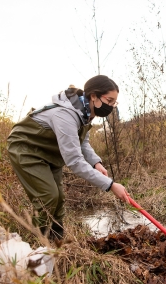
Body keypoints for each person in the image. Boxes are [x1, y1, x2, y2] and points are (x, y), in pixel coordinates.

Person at [7, 75, 130, 240]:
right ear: (94, 95)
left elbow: (82, 142)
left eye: (114, 102)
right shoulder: (65, 114)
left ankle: (57, 240)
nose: (111, 106)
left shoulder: (85, 113)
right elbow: (74, 161)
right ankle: (38, 242)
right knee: (47, 196)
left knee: (59, 198)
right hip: (27, 149)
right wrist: (111, 185)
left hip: (50, 153)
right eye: (109, 100)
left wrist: (96, 163)